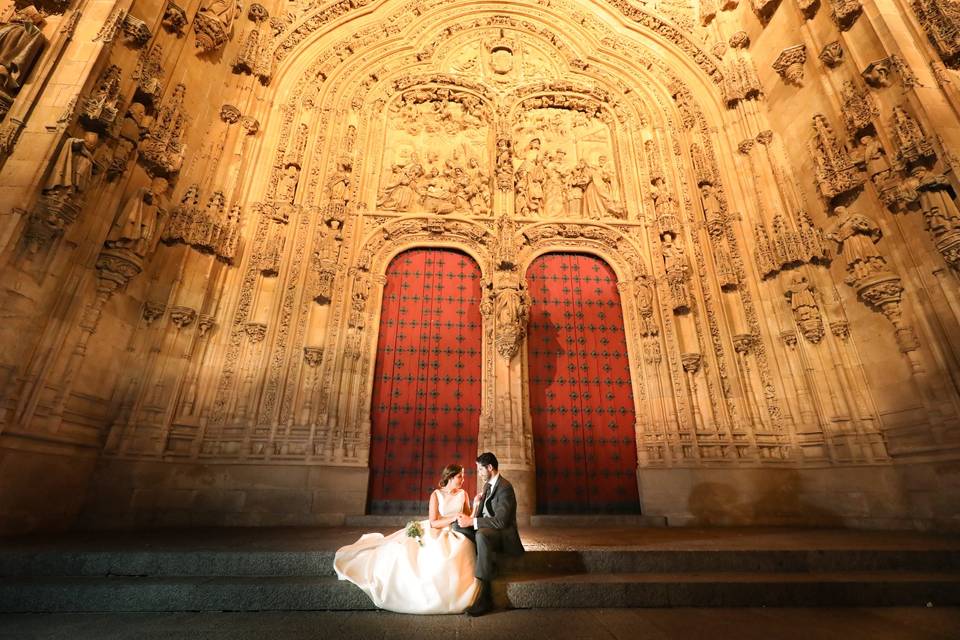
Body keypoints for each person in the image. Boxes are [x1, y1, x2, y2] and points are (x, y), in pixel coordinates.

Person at [333, 465, 481, 614]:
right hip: (438, 531)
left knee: (462, 547)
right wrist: (453, 518)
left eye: (463, 476)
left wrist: (475, 505)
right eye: (459, 476)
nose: (463, 479)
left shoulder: (463, 494)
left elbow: (468, 518)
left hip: (456, 533)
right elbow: (433, 522)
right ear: (450, 477)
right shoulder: (436, 494)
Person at [454, 452, 525, 616]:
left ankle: (485, 596)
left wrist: (472, 523)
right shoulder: (487, 485)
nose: (478, 473)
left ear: (490, 467)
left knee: (482, 536)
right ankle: (472, 565)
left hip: (502, 535)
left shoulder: (505, 487)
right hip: (485, 529)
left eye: (480, 470)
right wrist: (473, 511)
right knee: (456, 527)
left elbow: (501, 521)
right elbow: (481, 514)